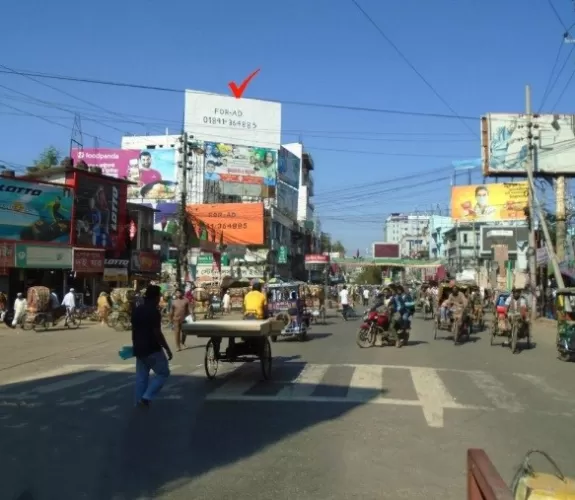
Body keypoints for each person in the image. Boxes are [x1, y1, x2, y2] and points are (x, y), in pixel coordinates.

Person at [131, 285, 173, 408]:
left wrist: (135, 345)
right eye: (159, 296)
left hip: (139, 347)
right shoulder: (154, 312)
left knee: (141, 376)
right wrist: (167, 348)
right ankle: (146, 397)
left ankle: (139, 401)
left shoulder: (137, 310)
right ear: (155, 297)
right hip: (152, 348)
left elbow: (134, 330)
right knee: (163, 373)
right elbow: (157, 332)